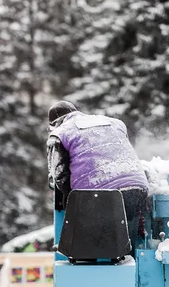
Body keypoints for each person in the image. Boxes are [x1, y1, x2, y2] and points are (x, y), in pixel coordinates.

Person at [47, 100, 149, 254]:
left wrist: (69, 198)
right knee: (127, 240)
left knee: (92, 245)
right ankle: (129, 263)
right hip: (137, 185)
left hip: (100, 193)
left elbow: (59, 174)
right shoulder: (114, 122)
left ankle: (82, 255)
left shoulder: (59, 133)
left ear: (54, 124)